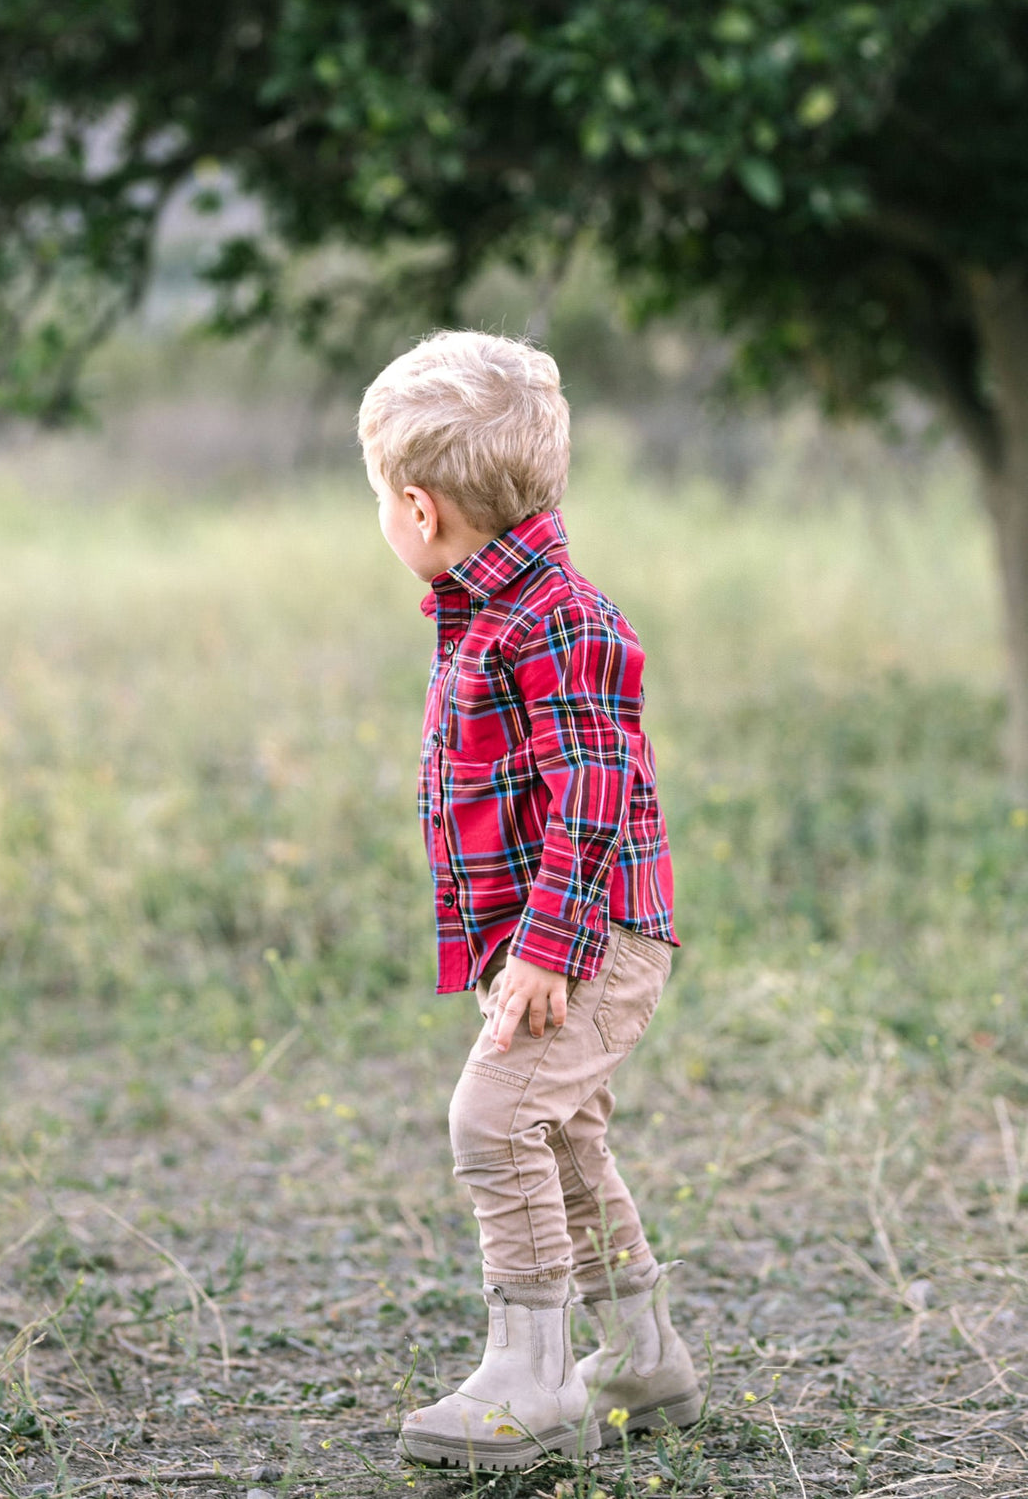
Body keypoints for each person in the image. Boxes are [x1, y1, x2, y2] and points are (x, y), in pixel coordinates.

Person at [358, 331, 702, 1472]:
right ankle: (642, 1357)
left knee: (494, 1121)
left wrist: (548, 953)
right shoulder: (487, 610)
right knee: (561, 1139)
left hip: (592, 941)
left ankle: (534, 1377)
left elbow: (596, 791)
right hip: (548, 941)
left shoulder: (559, 618)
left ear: (418, 508)